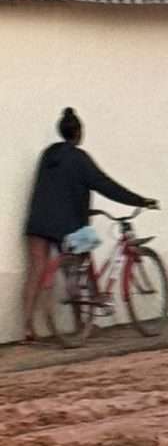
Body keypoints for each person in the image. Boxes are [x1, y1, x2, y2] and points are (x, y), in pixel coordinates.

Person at [22, 107, 157, 342]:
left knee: (36, 271)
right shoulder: (80, 158)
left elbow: (57, 186)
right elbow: (106, 185)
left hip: (38, 221)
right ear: (79, 133)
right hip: (66, 224)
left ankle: (27, 327)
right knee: (77, 268)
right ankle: (81, 324)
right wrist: (139, 200)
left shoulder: (48, 155)